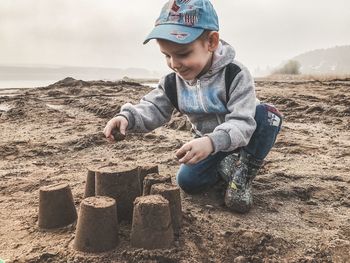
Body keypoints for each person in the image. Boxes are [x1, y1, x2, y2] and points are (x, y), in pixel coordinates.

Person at [103, 0, 282, 213]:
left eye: (183, 54)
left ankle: (243, 173)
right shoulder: (172, 82)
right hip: (207, 145)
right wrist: (128, 118)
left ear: (211, 42)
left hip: (243, 136)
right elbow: (153, 107)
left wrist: (212, 141)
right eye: (167, 55)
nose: (174, 64)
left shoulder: (235, 74)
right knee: (188, 182)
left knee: (268, 115)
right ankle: (228, 165)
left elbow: (242, 122)